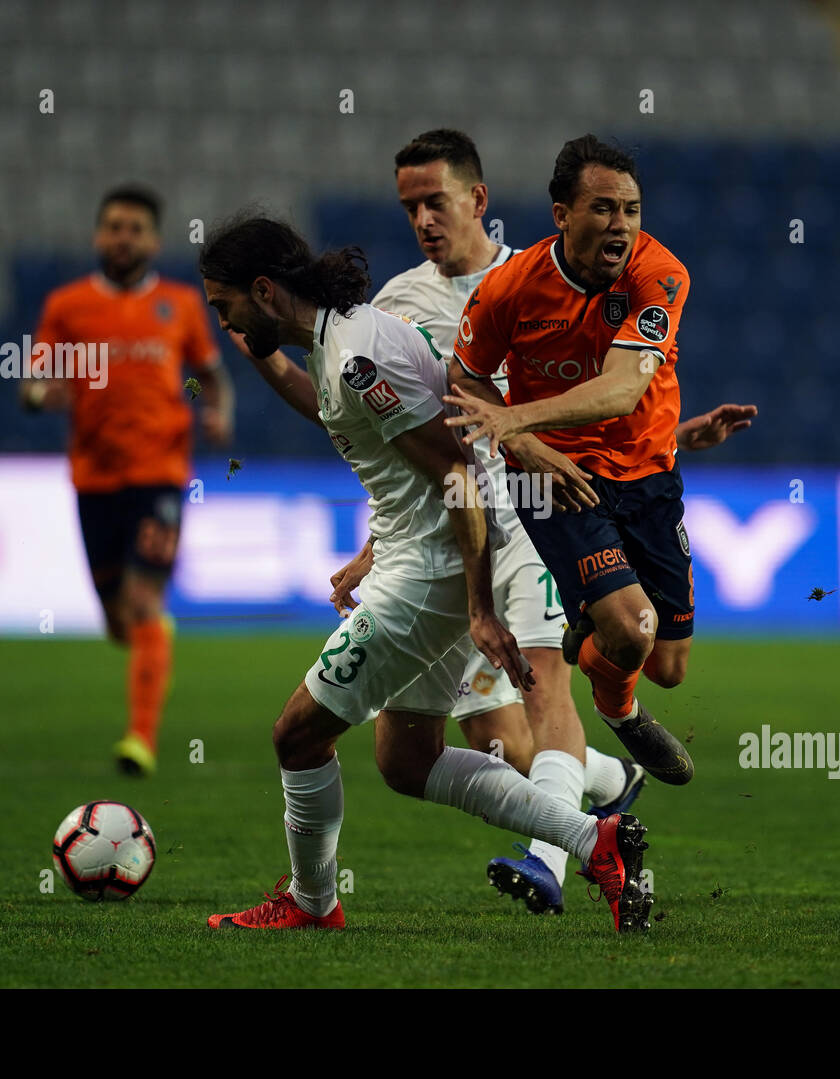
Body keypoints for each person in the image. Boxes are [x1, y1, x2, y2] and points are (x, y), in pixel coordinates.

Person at [198, 213, 653, 933]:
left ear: (264, 289)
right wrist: (256, 354)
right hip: (422, 562)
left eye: (225, 305)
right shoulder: (342, 343)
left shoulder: (356, 355)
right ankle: (592, 836)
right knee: (407, 759)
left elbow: (457, 477)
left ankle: (313, 903)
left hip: (428, 576)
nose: (220, 318)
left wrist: (476, 604)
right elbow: (347, 421)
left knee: (296, 734)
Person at [321, 128, 642, 915]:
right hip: (447, 530)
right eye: (410, 207)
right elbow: (411, 443)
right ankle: (610, 779)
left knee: (545, 692)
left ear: (479, 200)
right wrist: (375, 548)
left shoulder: (541, 280)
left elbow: (610, 388)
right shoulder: (394, 306)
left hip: (541, 512)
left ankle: (552, 860)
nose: (424, 219)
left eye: (436, 201)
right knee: (481, 743)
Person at [446, 135, 756, 786]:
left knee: (666, 663)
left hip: (648, 475)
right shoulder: (510, 289)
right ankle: (620, 712)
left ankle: (590, 644)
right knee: (635, 629)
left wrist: (514, 418)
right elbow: (464, 377)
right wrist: (523, 444)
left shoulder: (661, 273)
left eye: (632, 210)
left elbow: (623, 387)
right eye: (604, 209)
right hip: (558, 481)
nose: (621, 226)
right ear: (562, 214)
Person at [20, 184, 234, 776]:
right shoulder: (67, 306)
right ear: (98, 235)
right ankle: (150, 635)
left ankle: (139, 738)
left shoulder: (180, 305)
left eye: (135, 228)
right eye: (114, 226)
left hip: (161, 473)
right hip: (93, 477)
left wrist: (215, 410)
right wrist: (44, 392)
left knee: (142, 601)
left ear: (153, 240)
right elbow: (31, 384)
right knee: (119, 620)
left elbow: (209, 377)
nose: (123, 237)